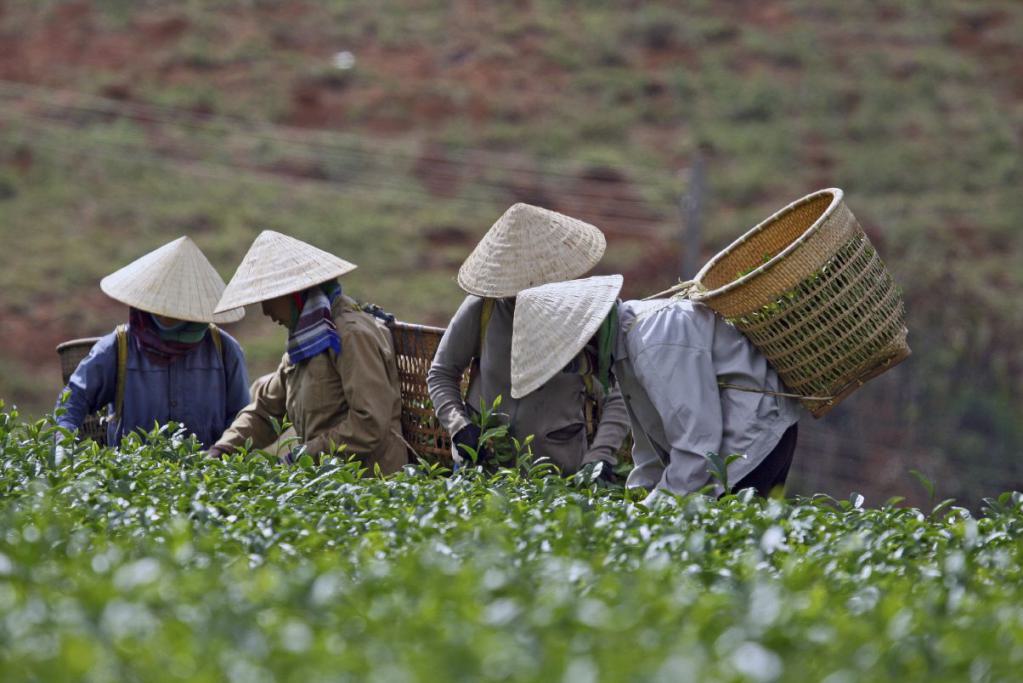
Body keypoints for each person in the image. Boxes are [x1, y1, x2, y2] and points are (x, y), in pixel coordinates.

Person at [509, 275, 802, 500]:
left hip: (752, 436)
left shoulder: (654, 340)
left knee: (726, 546)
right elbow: (650, 447)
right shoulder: (627, 348)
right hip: (727, 441)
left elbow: (697, 445)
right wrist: (635, 497)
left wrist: (653, 510)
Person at [427, 203, 630, 476]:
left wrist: (601, 453)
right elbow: (441, 374)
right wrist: (459, 427)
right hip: (484, 467)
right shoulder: (484, 308)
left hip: (559, 471)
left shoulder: (586, 314)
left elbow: (622, 391)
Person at [208, 230, 407, 474]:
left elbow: (370, 424)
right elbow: (265, 411)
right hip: (327, 478)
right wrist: (223, 449)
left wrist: (302, 456)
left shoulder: (351, 335)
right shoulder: (305, 340)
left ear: (294, 294)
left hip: (372, 481)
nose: (266, 311)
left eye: (268, 299)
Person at [55, 236, 250, 447]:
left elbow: (241, 421)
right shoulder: (119, 348)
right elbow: (73, 400)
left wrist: (221, 453)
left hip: (208, 467)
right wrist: (63, 445)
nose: (168, 313)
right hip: (131, 468)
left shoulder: (224, 350)